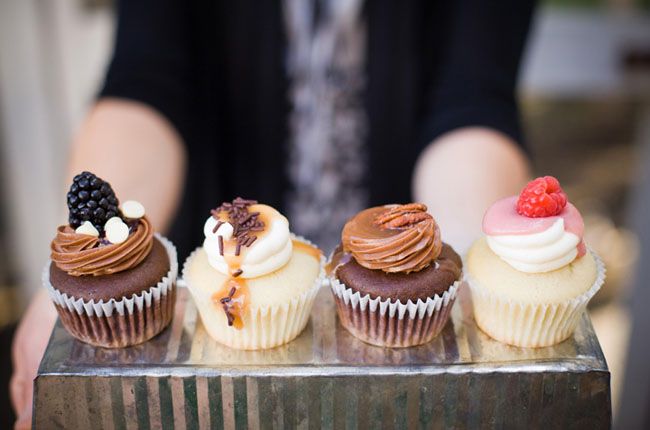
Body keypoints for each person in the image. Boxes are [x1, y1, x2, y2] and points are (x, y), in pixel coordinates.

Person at [10, 0, 533, 427]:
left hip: (395, 263)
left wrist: (468, 260)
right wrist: (97, 252)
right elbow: (145, 79)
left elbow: (474, 97)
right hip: (220, 262)